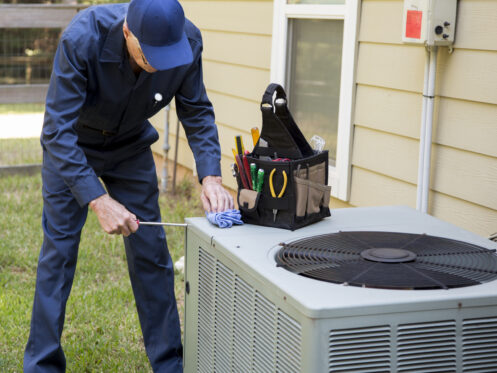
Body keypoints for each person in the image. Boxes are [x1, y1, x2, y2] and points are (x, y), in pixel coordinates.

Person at [23, 0, 234, 371]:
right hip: (73, 144)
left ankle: (169, 364)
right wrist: (98, 199)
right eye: (149, 54)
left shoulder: (188, 43)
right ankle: (41, 365)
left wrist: (210, 176)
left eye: (166, 54)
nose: (158, 63)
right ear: (126, 32)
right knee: (58, 255)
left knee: (151, 252)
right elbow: (56, 131)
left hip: (131, 145)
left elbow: (196, 109)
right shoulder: (82, 38)